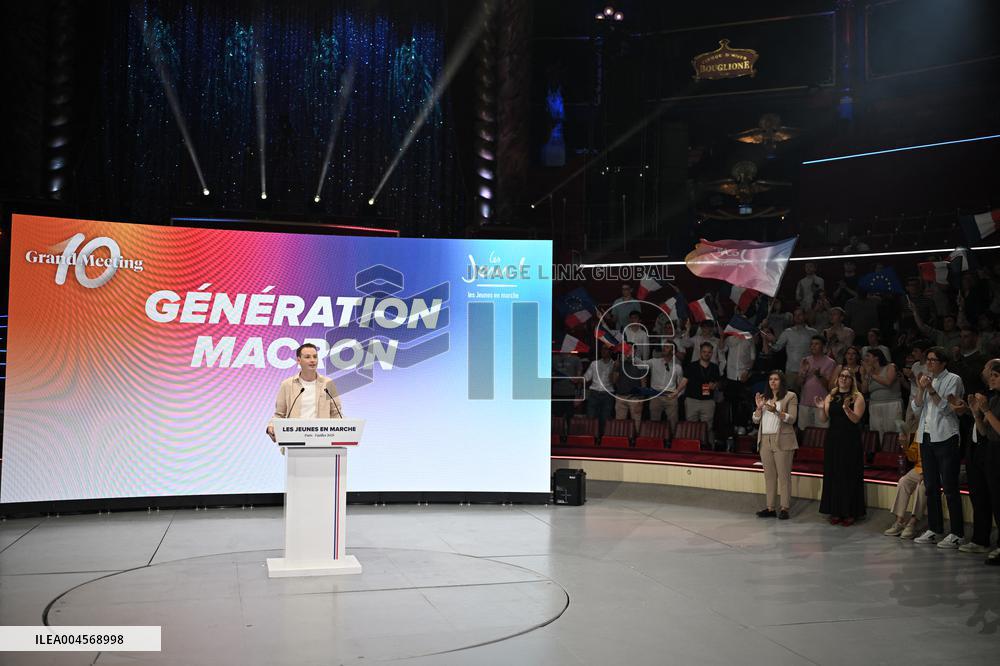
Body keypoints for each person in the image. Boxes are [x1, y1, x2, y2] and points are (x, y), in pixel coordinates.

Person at [911, 346, 966, 548]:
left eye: (934, 360)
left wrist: (931, 390)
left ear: (943, 363)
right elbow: (916, 408)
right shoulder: (926, 379)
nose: (930, 363)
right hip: (925, 437)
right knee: (931, 486)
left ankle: (957, 532)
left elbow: (947, 410)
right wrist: (920, 388)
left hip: (945, 436)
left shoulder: (953, 379)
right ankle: (934, 529)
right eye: (928, 360)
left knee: (950, 487)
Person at [815, 368, 867, 525]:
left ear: (852, 380)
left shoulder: (857, 397)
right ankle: (836, 510)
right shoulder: (831, 396)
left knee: (848, 474)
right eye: (841, 376)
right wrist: (820, 409)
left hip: (850, 440)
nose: (844, 379)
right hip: (833, 439)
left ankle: (850, 511)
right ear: (837, 379)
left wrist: (846, 408)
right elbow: (824, 419)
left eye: (847, 377)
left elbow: (855, 419)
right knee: (834, 473)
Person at [266, 343, 344, 447]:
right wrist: (271, 426)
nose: (312, 360)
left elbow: (336, 414)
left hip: (323, 442)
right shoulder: (287, 384)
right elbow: (279, 414)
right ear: (298, 360)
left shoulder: (328, 383)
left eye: (315, 357)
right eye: (307, 357)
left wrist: (342, 432)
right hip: (296, 443)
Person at [752, 371, 798, 520]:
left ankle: (784, 508)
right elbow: (755, 420)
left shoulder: (790, 396)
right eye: (771, 379)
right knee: (769, 476)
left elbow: (792, 419)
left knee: (784, 476)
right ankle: (770, 508)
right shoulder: (764, 398)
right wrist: (759, 408)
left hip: (782, 440)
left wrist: (777, 411)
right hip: (765, 440)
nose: (773, 382)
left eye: (776, 379)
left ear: (781, 381)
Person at [969, 359, 1000, 564]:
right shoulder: (995, 399)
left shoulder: (994, 402)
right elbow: (984, 432)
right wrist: (975, 411)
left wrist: (986, 410)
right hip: (991, 452)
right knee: (996, 502)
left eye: (996, 376)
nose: (991, 378)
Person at [763, 308, 817, 392]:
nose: (797, 317)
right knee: (790, 398)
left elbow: (817, 351)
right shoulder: (787, 332)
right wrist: (771, 340)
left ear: (805, 316)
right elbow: (777, 347)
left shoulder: (813, 332)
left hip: (807, 371)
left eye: (800, 314)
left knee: (806, 397)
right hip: (791, 371)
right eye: (795, 315)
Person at [883, 435, 926, 539]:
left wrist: (927, 472)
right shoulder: (919, 430)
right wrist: (905, 446)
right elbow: (913, 457)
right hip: (919, 468)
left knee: (922, 485)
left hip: (936, 470)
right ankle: (900, 521)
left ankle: (913, 522)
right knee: (903, 481)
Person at [683, 342, 722, 449]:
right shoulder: (692, 366)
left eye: (709, 352)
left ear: (712, 353)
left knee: (708, 427)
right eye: (704, 352)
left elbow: (719, 383)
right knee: (691, 426)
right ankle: (690, 447)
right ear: (700, 352)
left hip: (708, 401)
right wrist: (677, 392)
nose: (706, 354)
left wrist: (715, 385)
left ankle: (709, 449)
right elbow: (684, 381)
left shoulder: (714, 367)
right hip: (692, 400)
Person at [644, 342, 686, 431]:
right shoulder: (654, 361)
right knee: (654, 423)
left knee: (673, 423)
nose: (664, 348)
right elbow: (640, 365)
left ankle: (673, 442)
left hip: (670, 397)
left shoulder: (677, 367)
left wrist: (676, 395)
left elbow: (682, 384)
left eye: (667, 347)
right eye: (664, 347)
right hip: (656, 395)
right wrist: (631, 356)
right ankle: (655, 442)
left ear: (673, 351)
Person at [861, 348, 901, 440]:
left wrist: (871, 374)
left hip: (891, 404)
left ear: (876, 358)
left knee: (892, 432)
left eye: (868, 356)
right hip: (874, 405)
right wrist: (864, 375)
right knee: (877, 434)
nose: (865, 358)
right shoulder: (869, 372)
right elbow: (864, 390)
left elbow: (888, 382)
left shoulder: (890, 367)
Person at [798, 336, 836, 430]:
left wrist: (819, 375)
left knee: (821, 433)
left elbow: (829, 386)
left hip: (821, 403)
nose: (813, 346)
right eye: (811, 344)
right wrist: (803, 372)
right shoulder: (805, 360)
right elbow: (798, 383)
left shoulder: (830, 362)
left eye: (816, 344)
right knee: (804, 432)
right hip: (805, 402)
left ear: (823, 346)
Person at [583, 346, 616, 434]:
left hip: (608, 394)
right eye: (602, 349)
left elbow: (615, 381)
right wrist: (578, 378)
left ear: (611, 352)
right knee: (591, 417)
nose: (603, 351)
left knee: (605, 418)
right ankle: (590, 438)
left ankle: (602, 439)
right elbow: (586, 377)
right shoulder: (594, 363)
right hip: (594, 393)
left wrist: (615, 368)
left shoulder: (615, 364)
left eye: (606, 349)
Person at [612, 352, 647, 430]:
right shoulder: (619, 364)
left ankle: (636, 441)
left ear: (634, 353)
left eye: (630, 351)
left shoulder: (640, 365)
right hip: (620, 397)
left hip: (635, 398)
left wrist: (641, 401)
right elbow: (613, 381)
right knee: (619, 425)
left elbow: (643, 384)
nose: (628, 353)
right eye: (626, 351)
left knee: (636, 425)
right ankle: (621, 441)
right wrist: (615, 368)